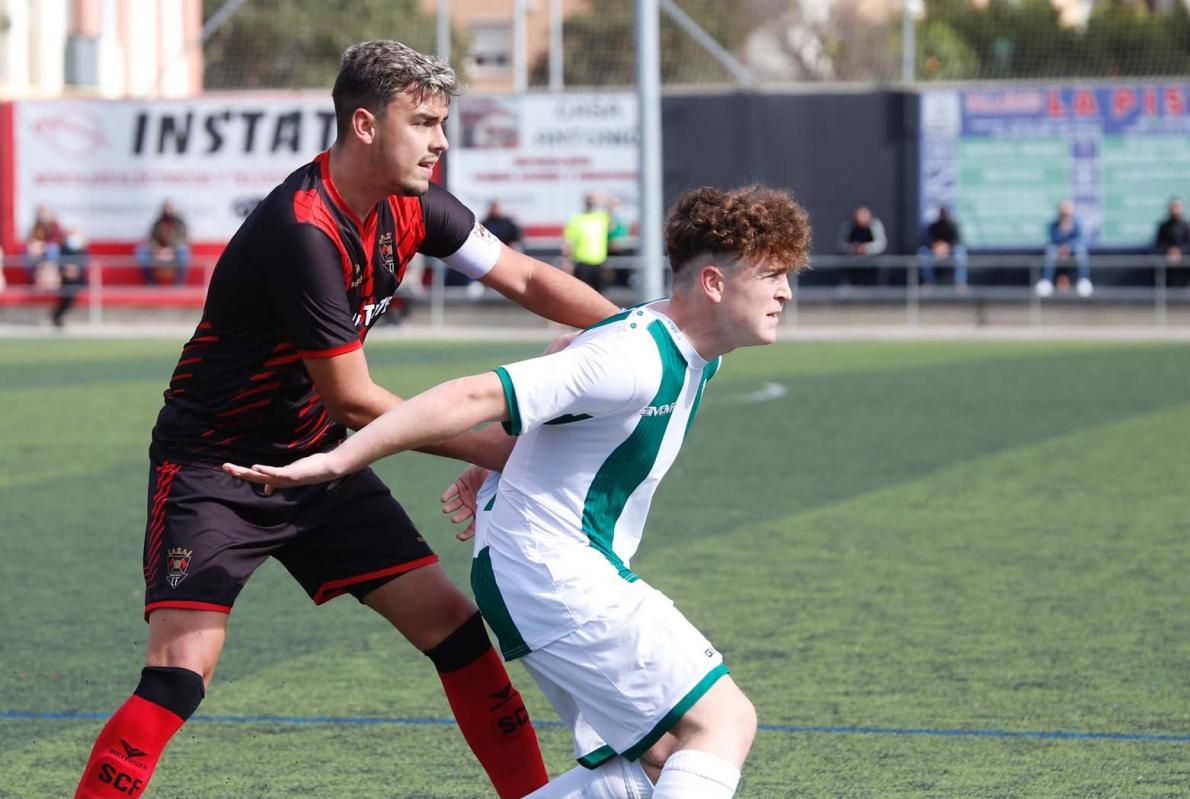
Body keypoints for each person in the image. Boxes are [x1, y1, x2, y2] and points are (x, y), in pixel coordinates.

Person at [73, 40, 618, 799]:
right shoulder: (302, 229)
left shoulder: (414, 204)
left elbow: (524, 275)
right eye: (424, 121)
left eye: (442, 122)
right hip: (217, 465)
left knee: (455, 630)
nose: (441, 141)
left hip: (321, 459)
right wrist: (504, 452)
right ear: (364, 124)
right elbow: (355, 399)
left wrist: (640, 335)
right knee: (180, 671)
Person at [223, 184, 813, 799]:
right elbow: (470, 395)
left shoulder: (681, 340)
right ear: (714, 284)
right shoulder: (636, 357)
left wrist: (515, 453)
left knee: (652, 765)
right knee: (722, 722)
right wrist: (335, 461)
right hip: (552, 571)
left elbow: (570, 356)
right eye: (772, 275)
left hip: (536, 569)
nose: (786, 293)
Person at [1038, 200, 1092, 298]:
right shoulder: (1053, 224)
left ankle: (1083, 281)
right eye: (1063, 213)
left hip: (1073, 249)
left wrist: (1069, 246)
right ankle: (1047, 281)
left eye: (1068, 213)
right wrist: (1061, 246)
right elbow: (1053, 239)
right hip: (1058, 249)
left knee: (1081, 250)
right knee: (1051, 251)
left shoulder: (1077, 223)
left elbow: (1080, 239)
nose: (1066, 215)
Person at [562, 192, 612, 293]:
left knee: (602, 295)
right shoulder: (576, 219)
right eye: (589, 200)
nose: (591, 203)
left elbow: (612, 214)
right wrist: (567, 262)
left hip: (599, 262)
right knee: (583, 293)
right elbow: (568, 243)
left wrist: (602, 199)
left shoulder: (601, 218)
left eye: (593, 200)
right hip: (582, 263)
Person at [136, 201, 191, 286]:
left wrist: (171, 250)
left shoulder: (179, 223)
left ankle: (178, 285)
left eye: (169, 209)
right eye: (165, 209)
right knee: (141, 254)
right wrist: (158, 250)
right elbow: (151, 239)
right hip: (159, 250)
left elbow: (183, 239)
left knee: (183, 254)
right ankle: (151, 283)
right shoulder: (157, 222)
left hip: (175, 250)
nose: (167, 212)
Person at [917, 206, 968, 289]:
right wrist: (936, 247)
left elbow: (957, 240)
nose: (943, 217)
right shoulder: (933, 226)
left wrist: (947, 248)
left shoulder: (953, 225)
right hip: (935, 252)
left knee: (960, 251)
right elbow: (927, 241)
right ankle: (929, 281)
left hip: (950, 252)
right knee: (923, 252)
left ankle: (960, 282)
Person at [835, 205, 887, 286]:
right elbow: (841, 245)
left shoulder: (875, 225)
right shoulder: (849, 226)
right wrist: (854, 248)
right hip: (852, 268)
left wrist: (866, 248)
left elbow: (881, 244)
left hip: (872, 267)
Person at [1155, 197, 1190, 288]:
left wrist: (1180, 251)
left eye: (1177, 206)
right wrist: (1169, 251)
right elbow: (1159, 245)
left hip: (1186, 263)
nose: (1175, 209)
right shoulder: (1163, 226)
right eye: (1173, 206)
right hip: (1166, 262)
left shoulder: (1187, 226)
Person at [25, 204, 65, 281]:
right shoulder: (35, 227)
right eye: (42, 214)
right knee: (27, 253)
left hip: (51, 251)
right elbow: (31, 240)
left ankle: (50, 272)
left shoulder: (56, 226)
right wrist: (36, 247)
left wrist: (44, 247)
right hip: (38, 251)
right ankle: (35, 275)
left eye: (46, 214)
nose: (44, 216)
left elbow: (58, 241)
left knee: (52, 250)